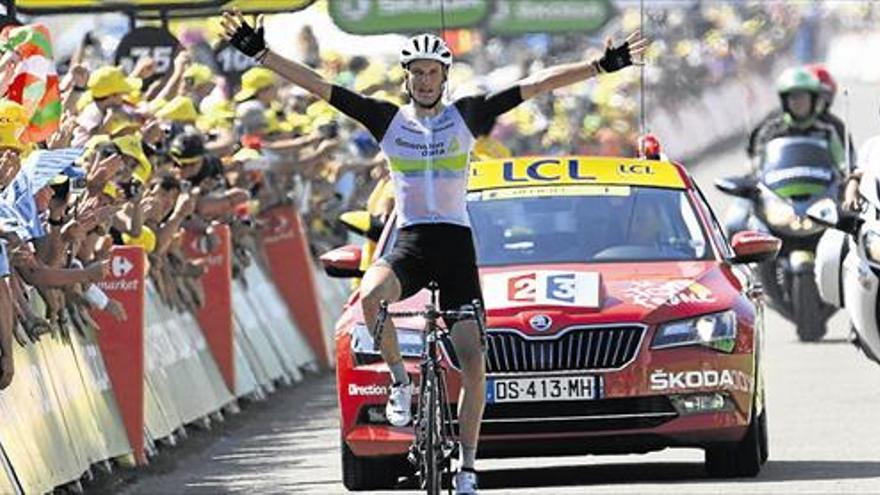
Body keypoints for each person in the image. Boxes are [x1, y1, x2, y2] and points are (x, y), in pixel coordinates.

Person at [221, 10, 645, 493]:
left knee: (473, 363)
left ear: (445, 76)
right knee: (370, 297)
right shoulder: (386, 119)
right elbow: (321, 86)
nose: (425, 80)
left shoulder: (468, 114)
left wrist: (600, 67)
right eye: (417, 73)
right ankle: (402, 384)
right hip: (414, 241)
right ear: (406, 78)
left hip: (456, 246)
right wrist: (261, 54)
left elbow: (537, 84)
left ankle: (467, 465)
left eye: (433, 72)